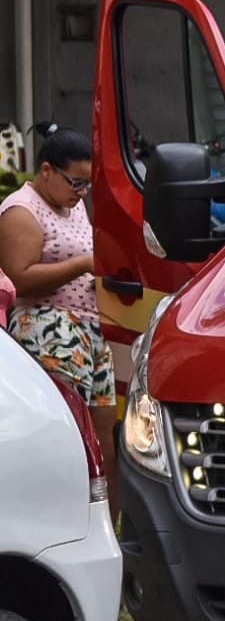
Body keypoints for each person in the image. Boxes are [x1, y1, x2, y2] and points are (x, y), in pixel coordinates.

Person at [0, 123, 117, 516]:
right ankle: (60, 518)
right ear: (46, 170)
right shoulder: (21, 210)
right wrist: (83, 264)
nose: (80, 192)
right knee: (66, 434)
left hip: (90, 332)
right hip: (49, 328)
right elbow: (19, 276)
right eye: (74, 182)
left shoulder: (74, 204)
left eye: (86, 185)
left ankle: (103, 521)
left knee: (103, 433)